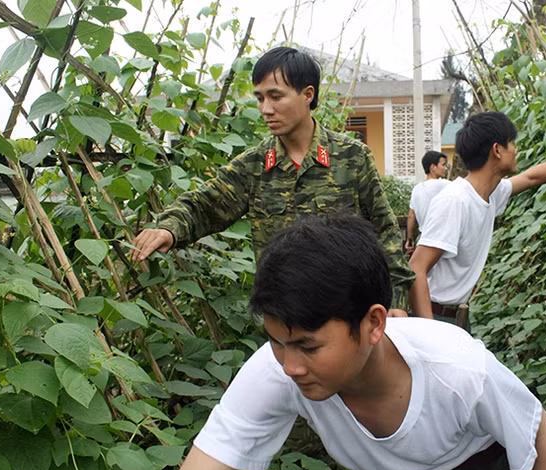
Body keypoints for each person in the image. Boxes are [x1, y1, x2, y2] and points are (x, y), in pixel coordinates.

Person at [141, 214, 546, 470]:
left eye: (309, 346)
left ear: (373, 324)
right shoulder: (277, 368)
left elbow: (536, 430)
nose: (290, 366)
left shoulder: (459, 371)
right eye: (276, 341)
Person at [131, 46, 414, 312]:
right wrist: (169, 229)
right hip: (283, 318)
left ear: (307, 95)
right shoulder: (254, 166)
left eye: (276, 96)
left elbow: (385, 234)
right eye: (260, 98)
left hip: (345, 315)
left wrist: (397, 304)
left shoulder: (351, 158)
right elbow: (204, 205)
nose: (266, 108)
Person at [409, 111, 546, 326]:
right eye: (511, 143)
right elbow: (416, 267)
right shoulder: (455, 201)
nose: (515, 150)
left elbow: (532, 177)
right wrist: (431, 335)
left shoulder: (490, 192)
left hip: (455, 315)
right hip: (435, 316)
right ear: (497, 150)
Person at [405, 150, 449, 256]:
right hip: (441, 239)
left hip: (423, 239)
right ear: (433, 167)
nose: (446, 168)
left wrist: (410, 239)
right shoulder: (445, 185)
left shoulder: (417, 189)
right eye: (443, 165)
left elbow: (411, 216)